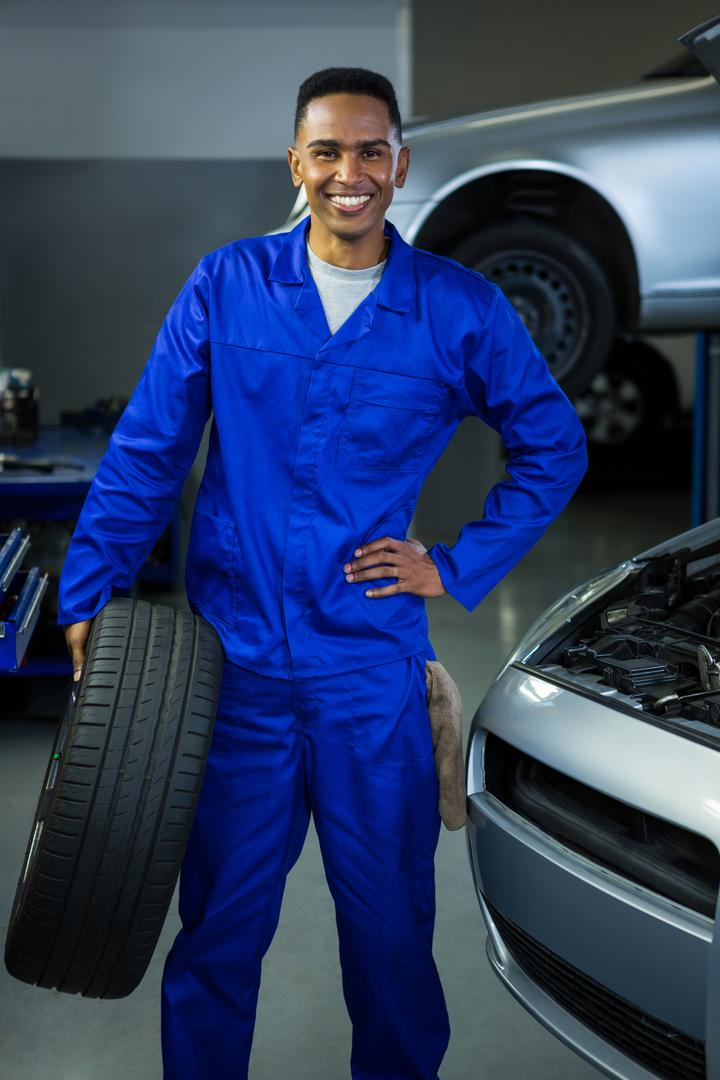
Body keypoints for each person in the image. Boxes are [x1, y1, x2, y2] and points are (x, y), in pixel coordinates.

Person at [57, 67, 588, 1080]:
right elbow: (148, 450)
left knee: (388, 937)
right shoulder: (227, 285)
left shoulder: (457, 310)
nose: (353, 173)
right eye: (330, 152)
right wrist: (90, 590)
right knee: (218, 930)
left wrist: (455, 563)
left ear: (401, 163)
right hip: (237, 669)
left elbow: (556, 445)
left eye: (373, 151)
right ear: (296, 164)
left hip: (368, 674)